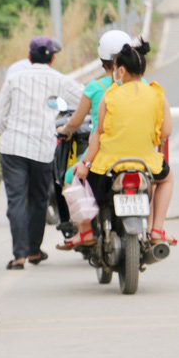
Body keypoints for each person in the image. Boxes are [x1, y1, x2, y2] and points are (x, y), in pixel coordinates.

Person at [68, 39, 176, 247]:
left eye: (116, 68)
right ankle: (157, 229)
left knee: (75, 176)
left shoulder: (109, 96)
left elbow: (98, 135)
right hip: (146, 163)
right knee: (167, 179)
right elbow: (166, 132)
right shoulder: (158, 93)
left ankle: (87, 232)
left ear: (122, 71)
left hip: (108, 166)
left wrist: (85, 164)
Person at [0, 37, 83, 269]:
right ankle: (34, 250)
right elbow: (86, 97)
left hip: (12, 147)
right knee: (38, 200)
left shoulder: (14, 79)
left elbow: (0, 115)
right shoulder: (59, 80)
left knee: (16, 200)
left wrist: (10, 132)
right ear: (53, 58)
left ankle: (19, 255)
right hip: (42, 149)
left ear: (29, 57)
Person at [54, 30, 132, 249]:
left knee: (70, 176)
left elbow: (76, 121)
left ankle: (85, 231)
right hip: (137, 151)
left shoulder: (96, 88)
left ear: (102, 60)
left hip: (103, 153)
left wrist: (65, 129)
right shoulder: (141, 84)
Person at [0, 40, 62, 227]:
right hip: (19, 132)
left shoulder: (16, 67)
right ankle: (23, 215)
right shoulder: (42, 74)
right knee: (22, 175)